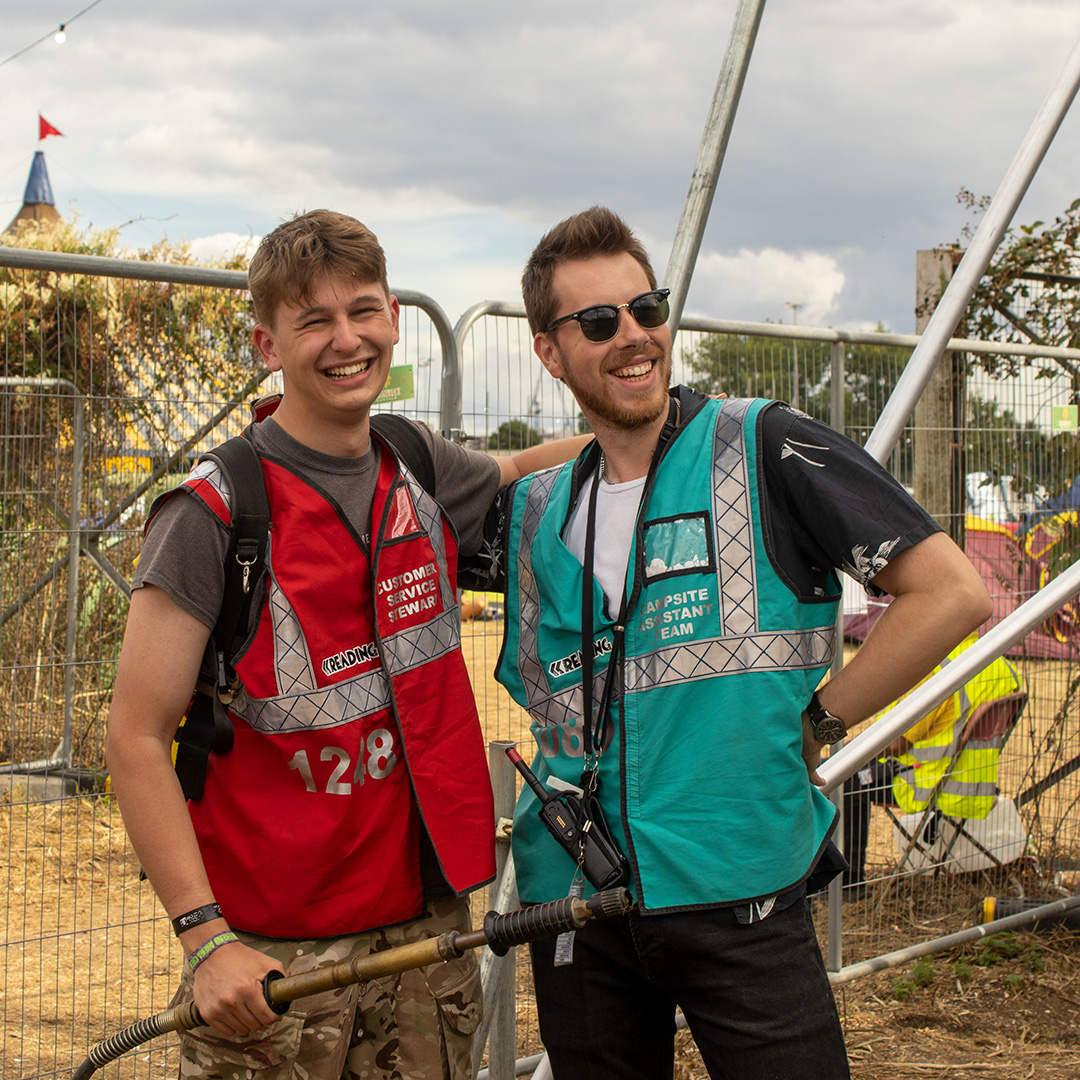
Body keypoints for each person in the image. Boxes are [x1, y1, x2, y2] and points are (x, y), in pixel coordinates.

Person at [487, 206, 993, 1080]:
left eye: (648, 309)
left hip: (741, 890)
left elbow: (949, 593)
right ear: (548, 350)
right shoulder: (537, 510)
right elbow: (389, 479)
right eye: (600, 322)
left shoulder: (762, 445)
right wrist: (509, 465)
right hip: (576, 903)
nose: (634, 336)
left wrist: (823, 720)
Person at [106, 209, 585, 1080]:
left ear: (394, 319)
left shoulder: (415, 463)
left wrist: (650, 433)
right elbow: (134, 738)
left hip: (424, 926)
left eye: (362, 311)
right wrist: (205, 939)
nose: (345, 339)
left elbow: (519, 472)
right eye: (313, 320)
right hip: (277, 954)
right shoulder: (213, 515)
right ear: (266, 341)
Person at [842, 632, 1023, 889]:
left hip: (925, 784)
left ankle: (847, 885)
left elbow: (897, 743)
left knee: (844, 780)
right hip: (977, 784)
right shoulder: (1002, 666)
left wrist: (850, 751)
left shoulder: (940, 670)